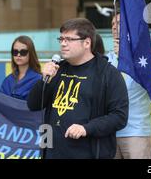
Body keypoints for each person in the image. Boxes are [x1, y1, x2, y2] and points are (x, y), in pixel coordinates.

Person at [27, 18, 128, 159]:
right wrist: (45, 80)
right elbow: (33, 105)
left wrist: (86, 128)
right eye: (61, 39)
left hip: (88, 153)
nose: (63, 43)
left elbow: (119, 117)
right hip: (53, 152)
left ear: (87, 42)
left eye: (69, 39)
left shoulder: (108, 74)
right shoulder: (57, 69)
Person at [108, 13, 151, 159]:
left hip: (136, 131)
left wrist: (125, 58)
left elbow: (144, 82)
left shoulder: (144, 58)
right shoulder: (108, 58)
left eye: (119, 23)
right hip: (110, 131)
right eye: (112, 24)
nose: (115, 27)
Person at [0, 36, 42, 101]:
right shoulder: (8, 80)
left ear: (30, 54)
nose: (18, 55)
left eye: (23, 52)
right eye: (15, 52)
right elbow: (0, 102)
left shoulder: (39, 79)